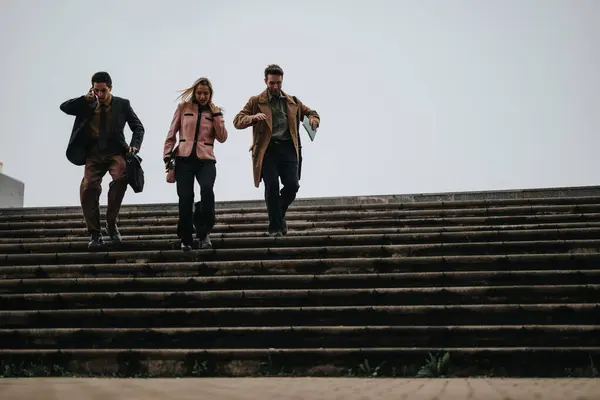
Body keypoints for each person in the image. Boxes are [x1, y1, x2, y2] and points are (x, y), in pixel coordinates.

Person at [60, 71, 144, 249]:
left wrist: (134, 146)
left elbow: (138, 127)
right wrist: (85, 99)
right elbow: (64, 107)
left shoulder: (122, 104)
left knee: (122, 177)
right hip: (94, 152)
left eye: (103, 91)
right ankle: (95, 234)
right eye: (96, 90)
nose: (100, 95)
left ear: (110, 88)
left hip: (115, 151)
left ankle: (111, 223)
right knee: (89, 186)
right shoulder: (87, 103)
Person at [233, 64, 320, 237]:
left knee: (292, 186)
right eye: (272, 83)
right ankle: (275, 228)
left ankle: (278, 216)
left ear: (282, 81)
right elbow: (238, 121)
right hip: (267, 150)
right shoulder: (256, 101)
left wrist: (313, 119)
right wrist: (252, 118)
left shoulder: (292, 101)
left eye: (278, 83)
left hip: (289, 149)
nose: (275, 86)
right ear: (265, 81)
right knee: (271, 186)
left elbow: (312, 112)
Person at [163, 77, 228, 251]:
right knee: (185, 198)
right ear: (194, 92)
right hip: (183, 159)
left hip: (206, 160)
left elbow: (222, 137)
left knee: (207, 190)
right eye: (199, 92)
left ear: (210, 94)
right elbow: (171, 134)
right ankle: (185, 238)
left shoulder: (215, 112)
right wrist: (168, 159)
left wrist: (217, 116)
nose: (202, 96)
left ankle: (204, 231)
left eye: (205, 93)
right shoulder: (183, 108)